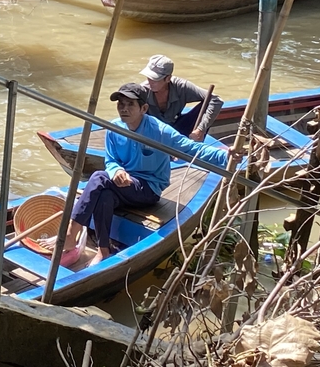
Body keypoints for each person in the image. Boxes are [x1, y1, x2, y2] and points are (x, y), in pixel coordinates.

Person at [41, 83, 228, 265]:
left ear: (144, 108)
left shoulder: (159, 130)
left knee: (98, 178)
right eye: (121, 104)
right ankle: (103, 250)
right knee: (103, 195)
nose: (124, 109)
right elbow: (111, 160)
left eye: (130, 104)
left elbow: (192, 149)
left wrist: (226, 156)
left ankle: (70, 235)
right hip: (123, 186)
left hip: (148, 189)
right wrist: (117, 171)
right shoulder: (114, 129)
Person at [140, 54, 223, 141]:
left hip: (176, 129)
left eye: (155, 79)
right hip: (151, 132)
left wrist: (201, 129)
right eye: (148, 77)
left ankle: (192, 145)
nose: (150, 81)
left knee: (207, 104)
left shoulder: (181, 86)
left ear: (168, 78)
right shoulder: (142, 91)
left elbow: (216, 100)